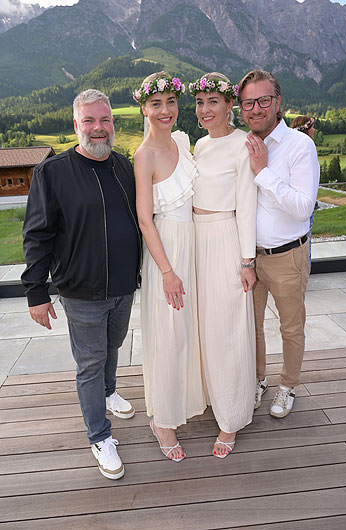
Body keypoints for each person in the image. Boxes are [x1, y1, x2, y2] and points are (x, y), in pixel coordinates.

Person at [21, 89, 142, 480]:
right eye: (89, 120)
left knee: (113, 345)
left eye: (104, 120)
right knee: (89, 362)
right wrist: (36, 292)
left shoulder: (124, 166)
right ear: (76, 125)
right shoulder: (52, 173)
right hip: (81, 290)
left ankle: (108, 393)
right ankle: (99, 435)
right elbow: (37, 235)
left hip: (123, 284)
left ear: (113, 123)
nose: (98, 128)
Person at [238, 70, 320, 418]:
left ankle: (287, 386)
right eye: (248, 102)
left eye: (263, 100)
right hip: (249, 259)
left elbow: (303, 207)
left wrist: (262, 172)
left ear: (278, 102)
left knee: (291, 327)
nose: (256, 108)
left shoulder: (300, 145)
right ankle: (257, 380)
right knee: (250, 326)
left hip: (288, 256)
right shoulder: (241, 144)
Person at [133, 72, 206, 462]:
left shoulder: (182, 140)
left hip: (192, 244)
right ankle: (162, 419)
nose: (166, 111)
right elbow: (145, 219)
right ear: (144, 108)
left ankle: (184, 400)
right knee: (169, 334)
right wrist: (166, 271)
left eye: (171, 103)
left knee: (188, 332)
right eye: (156, 104)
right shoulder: (144, 155)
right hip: (168, 250)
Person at [189, 72, 257, 458]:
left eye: (213, 101)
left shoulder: (240, 145)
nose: (205, 109)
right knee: (206, 328)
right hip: (197, 240)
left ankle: (231, 419)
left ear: (230, 105)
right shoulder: (198, 144)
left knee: (229, 329)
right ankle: (215, 394)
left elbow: (247, 205)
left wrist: (246, 260)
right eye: (200, 102)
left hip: (226, 238)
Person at [291, 116, 318, 263]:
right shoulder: (307, 148)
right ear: (306, 129)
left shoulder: (292, 146)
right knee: (306, 239)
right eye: (312, 127)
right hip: (304, 205)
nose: (314, 130)